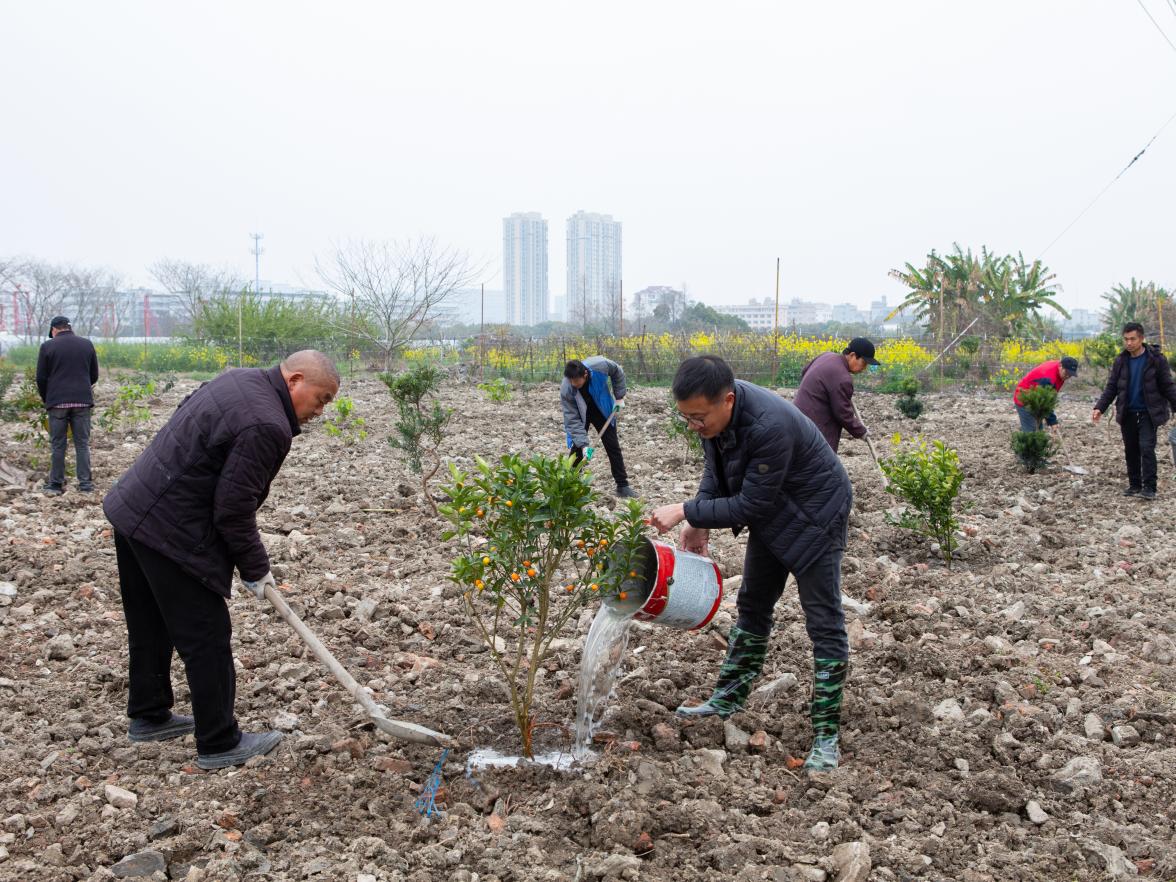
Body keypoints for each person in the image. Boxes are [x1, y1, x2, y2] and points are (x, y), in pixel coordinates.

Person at [102, 350, 340, 769]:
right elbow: (233, 508)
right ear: (295, 381)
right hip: (168, 528)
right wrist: (256, 569)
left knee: (151, 623)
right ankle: (219, 741)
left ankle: (149, 714)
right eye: (321, 399)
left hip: (134, 506)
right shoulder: (268, 425)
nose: (320, 411)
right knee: (207, 636)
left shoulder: (240, 380)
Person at [650, 355, 853, 771]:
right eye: (686, 417)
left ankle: (826, 733)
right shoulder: (716, 417)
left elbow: (751, 503)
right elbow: (717, 470)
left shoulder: (768, 425)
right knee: (753, 603)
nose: (694, 426)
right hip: (777, 512)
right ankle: (728, 697)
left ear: (727, 399)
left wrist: (687, 511)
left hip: (817, 515)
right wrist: (699, 518)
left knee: (823, 620)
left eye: (699, 417)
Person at [1092, 323, 1176, 500]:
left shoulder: (1156, 360)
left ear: (1141, 339)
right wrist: (1100, 407)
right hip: (1127, 412)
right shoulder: (1121, 361)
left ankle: (1150, 488)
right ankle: (1135, 485)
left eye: (1133, 339)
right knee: (1131, 449)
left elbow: (1168, 386)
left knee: (1146, 448)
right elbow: (1112, 387)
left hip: (1148, 413)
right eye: (1126, 339)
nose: (1129, 343)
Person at [36, 316, 99, 496]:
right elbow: (94, 375)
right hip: (82, 401)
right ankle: (85, 485)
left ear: (54, 329)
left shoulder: (48, 346)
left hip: (57, 402)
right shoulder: (87, 344)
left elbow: (41, 377)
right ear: (69, 328)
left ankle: (55, 485)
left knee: (58, 445)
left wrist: (46, 397)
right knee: (82, 444)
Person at [560, 357, 638, 498]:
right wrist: (584, 445)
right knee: (577, 448)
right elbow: (572, 419)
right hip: (580, 413)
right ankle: (570, 484)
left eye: (576, 381)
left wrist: (619, 396)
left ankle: (622, 485)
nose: (573, 384)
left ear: (585, 374)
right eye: (570, 381)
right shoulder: (567, 388)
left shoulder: (600, 365)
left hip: (601, 408)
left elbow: (617, 372)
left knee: (612, 445)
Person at [792, 337, 879, 452]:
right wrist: (862, 431)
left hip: (798, 418)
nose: (864, 368)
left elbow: (804, 371)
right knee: (821, 466)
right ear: (853, 355)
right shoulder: (842, 377)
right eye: (863, 363)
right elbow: (843, 413)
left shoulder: (826, 356)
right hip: (816, 430)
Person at [1013, 356, 1079, 431]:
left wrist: (1051, 420)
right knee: (1031, 431)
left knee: (1038, 429)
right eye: (1066, 373)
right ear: (1060, 366)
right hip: (1024, 398)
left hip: (1037, 399)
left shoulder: (1060, 370)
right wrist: (1052, 421)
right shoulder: (1048, 378)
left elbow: (1049, 397)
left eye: (1070, 375)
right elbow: (1045, 403)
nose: (1067, 376)